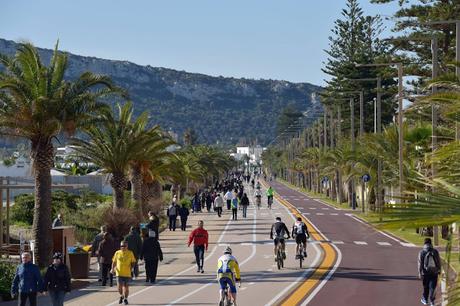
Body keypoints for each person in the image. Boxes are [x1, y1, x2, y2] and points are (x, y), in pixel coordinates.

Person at [111, 241, 136, 305]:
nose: (123, 247)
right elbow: (114, 261)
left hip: (127, 273)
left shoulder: (130, 253)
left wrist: (132, 268)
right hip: (119, 273)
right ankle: (121, 295)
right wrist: (112, 269)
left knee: (126, 287)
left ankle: (125, 299)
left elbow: (133, 262)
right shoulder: (117, 253)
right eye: (121, 246)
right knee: (119, 287)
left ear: (127, 246)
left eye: (124, 246)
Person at [418, 238, 441, 306]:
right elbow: (438, 261)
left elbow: (420, 263)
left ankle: (425, 299)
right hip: (434, 272)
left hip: (425, 273)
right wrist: (439, 270)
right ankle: (432, 301)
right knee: (432, 287)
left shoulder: (421, 252)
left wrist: (420, 273)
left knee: (426, 287)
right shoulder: (435, 251)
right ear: (431, 243)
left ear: (424, 243)